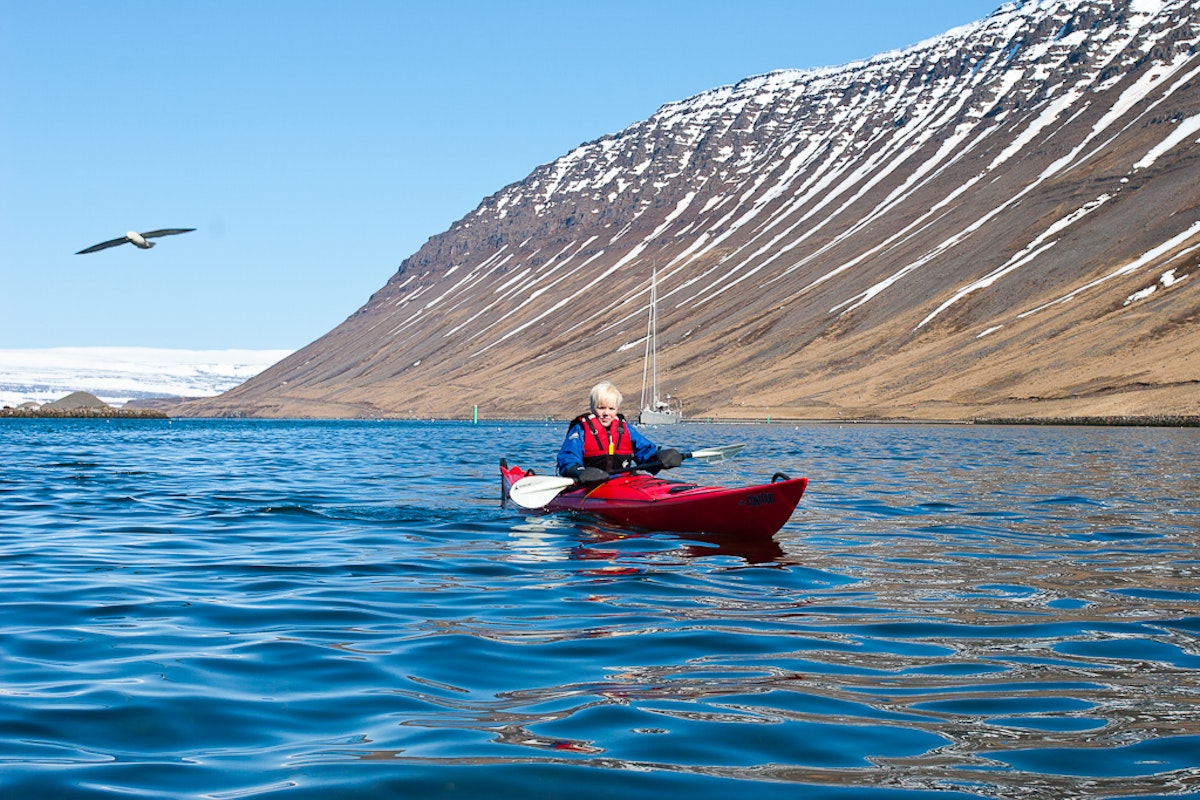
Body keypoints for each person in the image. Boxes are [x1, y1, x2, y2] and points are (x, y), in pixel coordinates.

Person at [557, 381, 683, 483]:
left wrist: (659, 458)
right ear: (592, 407)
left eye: (611, 409)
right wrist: (578, 471)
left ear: (617, 409)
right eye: (601, 408)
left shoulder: (624, 428)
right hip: (590, 485)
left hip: (623, 482)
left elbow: (644, 451)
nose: (606, 413)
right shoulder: (581, 428)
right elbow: (568, 456)